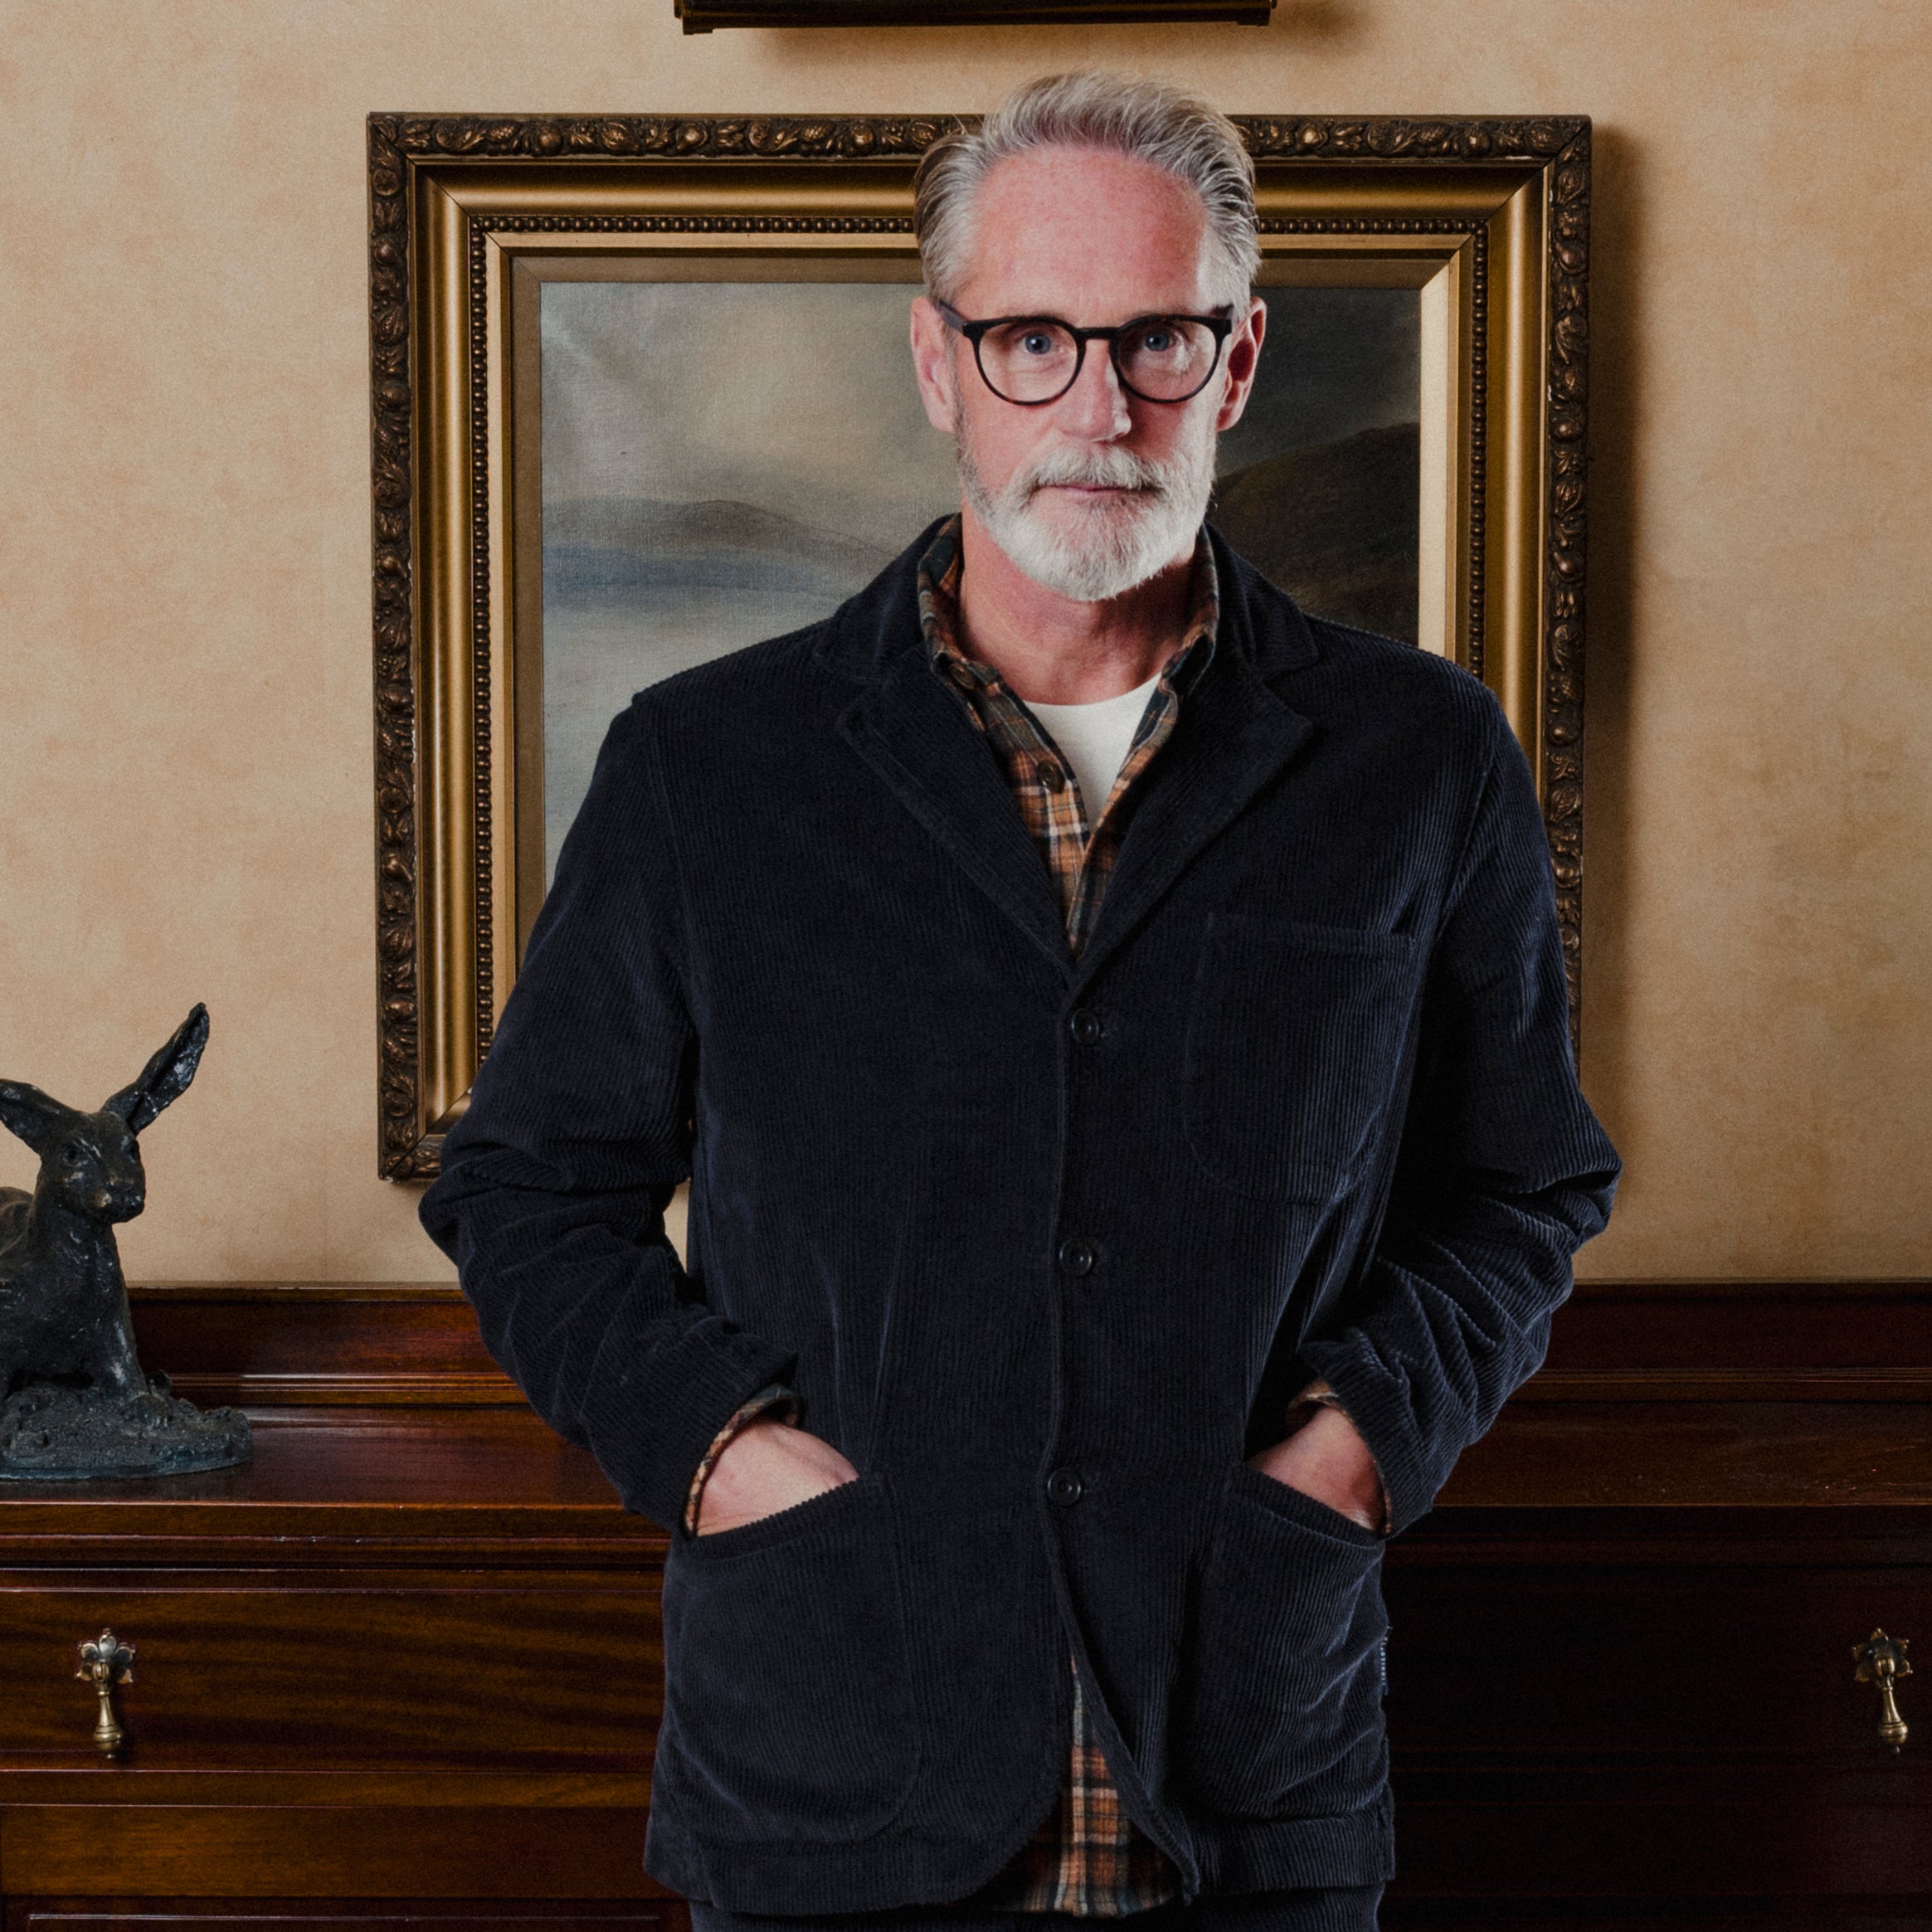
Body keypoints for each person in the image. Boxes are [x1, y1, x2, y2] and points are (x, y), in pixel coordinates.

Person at [419, 71, 1619, 1932]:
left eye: (1156, 341)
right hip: (829, 1769)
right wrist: (720, 1452)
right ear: (938, 362)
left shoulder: (1421, 759)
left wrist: (1355, 1452)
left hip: (1249, 1772)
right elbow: (522, 1188)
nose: (1097, 408)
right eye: (1033, 339)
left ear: (1236, 363)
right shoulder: (703, 766)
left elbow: (1523, 1184)